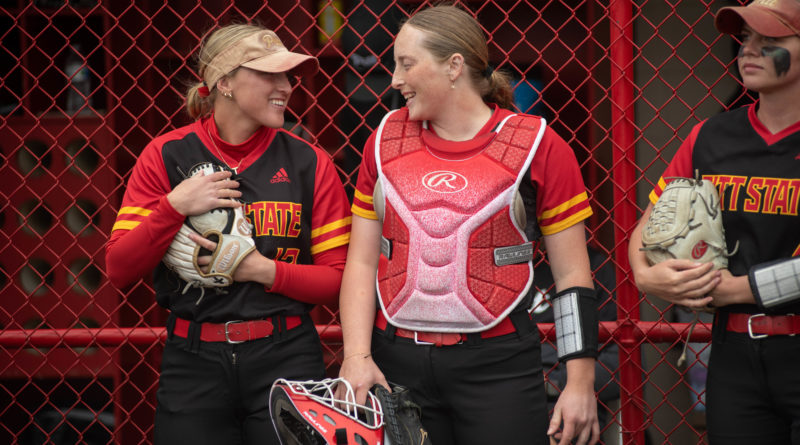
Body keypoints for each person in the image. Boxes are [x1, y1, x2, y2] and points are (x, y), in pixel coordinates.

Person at [337, 5, 600, 445]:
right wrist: (356, 356)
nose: (395, 79)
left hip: (497, 363)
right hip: (397, 359)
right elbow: (362, 263)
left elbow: (573, 277)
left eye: (406, 64)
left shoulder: (539, 145)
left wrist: (579, 383)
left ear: (454, 65)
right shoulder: (382, 142)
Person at [105, 24, 351, 445]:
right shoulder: (167, 155)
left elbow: (338, 280)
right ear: (224, 82)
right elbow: (118, 267)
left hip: (286, 351)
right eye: (269, 75)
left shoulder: (308, 160)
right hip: (193, 356)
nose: (287, 87)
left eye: (288, 76)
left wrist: (258, 270)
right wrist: (175, 206)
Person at [628, 1, 800, 443]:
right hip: (734, 350)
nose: (748, 51)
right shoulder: (711, 135)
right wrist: (649, 278)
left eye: (771, 42)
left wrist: (737, 289)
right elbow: (647, 230)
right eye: (745, 40)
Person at [531, 245, 619, 436]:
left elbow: (620, 365)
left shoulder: (595, 266)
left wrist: (553, 384)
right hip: (508, 398)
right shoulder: (504, 268)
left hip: (567, 405)